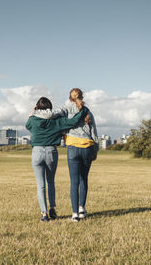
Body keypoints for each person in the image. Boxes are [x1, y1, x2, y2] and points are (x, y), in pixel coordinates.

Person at [25, 97, 89, 222]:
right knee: (50, 182)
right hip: (51, 151)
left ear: (37, 107)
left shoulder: (32, 120)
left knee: (40, 185)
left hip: (37, 152)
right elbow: (73, 122)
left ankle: (44, 213)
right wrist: (82, 111)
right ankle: (52, 208)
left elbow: (27, 124)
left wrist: (33, 111)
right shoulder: (57, 120)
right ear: (50, 108)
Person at [58, 88, 99, 222]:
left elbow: (63, 127)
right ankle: (82, 208)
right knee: (84, 179)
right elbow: (94, 134)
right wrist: (95, 150)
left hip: (73, 148)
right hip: (87, 147)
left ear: (70, 98)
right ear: (82, 96)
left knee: (74, 182)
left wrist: (65, 137)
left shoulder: (67, 110)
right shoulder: (88, 112)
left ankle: (74, 214)